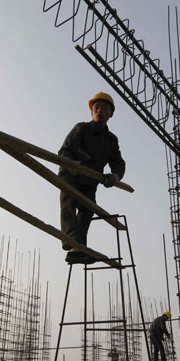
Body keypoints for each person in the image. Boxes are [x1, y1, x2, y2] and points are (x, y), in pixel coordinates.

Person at [59, 92, 126, 265]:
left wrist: (115, 176)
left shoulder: (111, 140)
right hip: (71, 174)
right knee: (68, 204)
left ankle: (77, 249)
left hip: (90, 181)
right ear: (91, 112)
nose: (100, 111)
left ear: (111, 113)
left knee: (87, 210)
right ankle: (74, 244)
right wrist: (73, 164)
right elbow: (64, 151)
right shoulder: (81, 129)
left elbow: (118, 163)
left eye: (104, 108)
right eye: (96, 108)